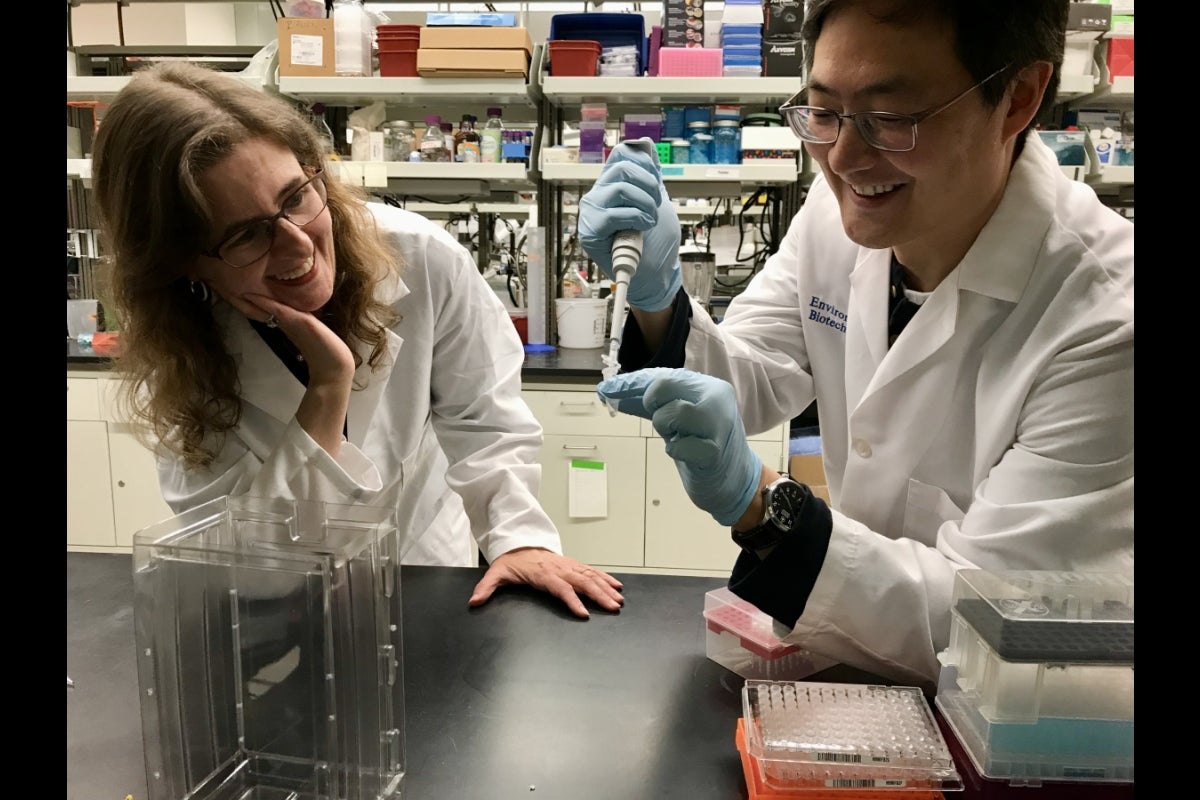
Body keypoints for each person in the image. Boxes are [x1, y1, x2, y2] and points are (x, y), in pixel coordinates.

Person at [578, 0, 1132, 690]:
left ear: (1017, 98)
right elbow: (749, 379)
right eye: (823, 110)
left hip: (1014, 721)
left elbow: (988, 619)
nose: (842, 158)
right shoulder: (837, 213)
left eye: (891, 117)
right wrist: (659, 303)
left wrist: (763, 506)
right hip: (855, 682)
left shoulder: (1108, 316)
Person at [91, 61, 624, 620]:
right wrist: (327, 388)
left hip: (426, 580)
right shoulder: (180, 356)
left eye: (295, 196)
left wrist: (519, 539)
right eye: (246, 234)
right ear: (179, 261)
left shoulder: (421, 257)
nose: (297, 246)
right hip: (272, 620)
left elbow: (485, 423)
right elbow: (252, 570)